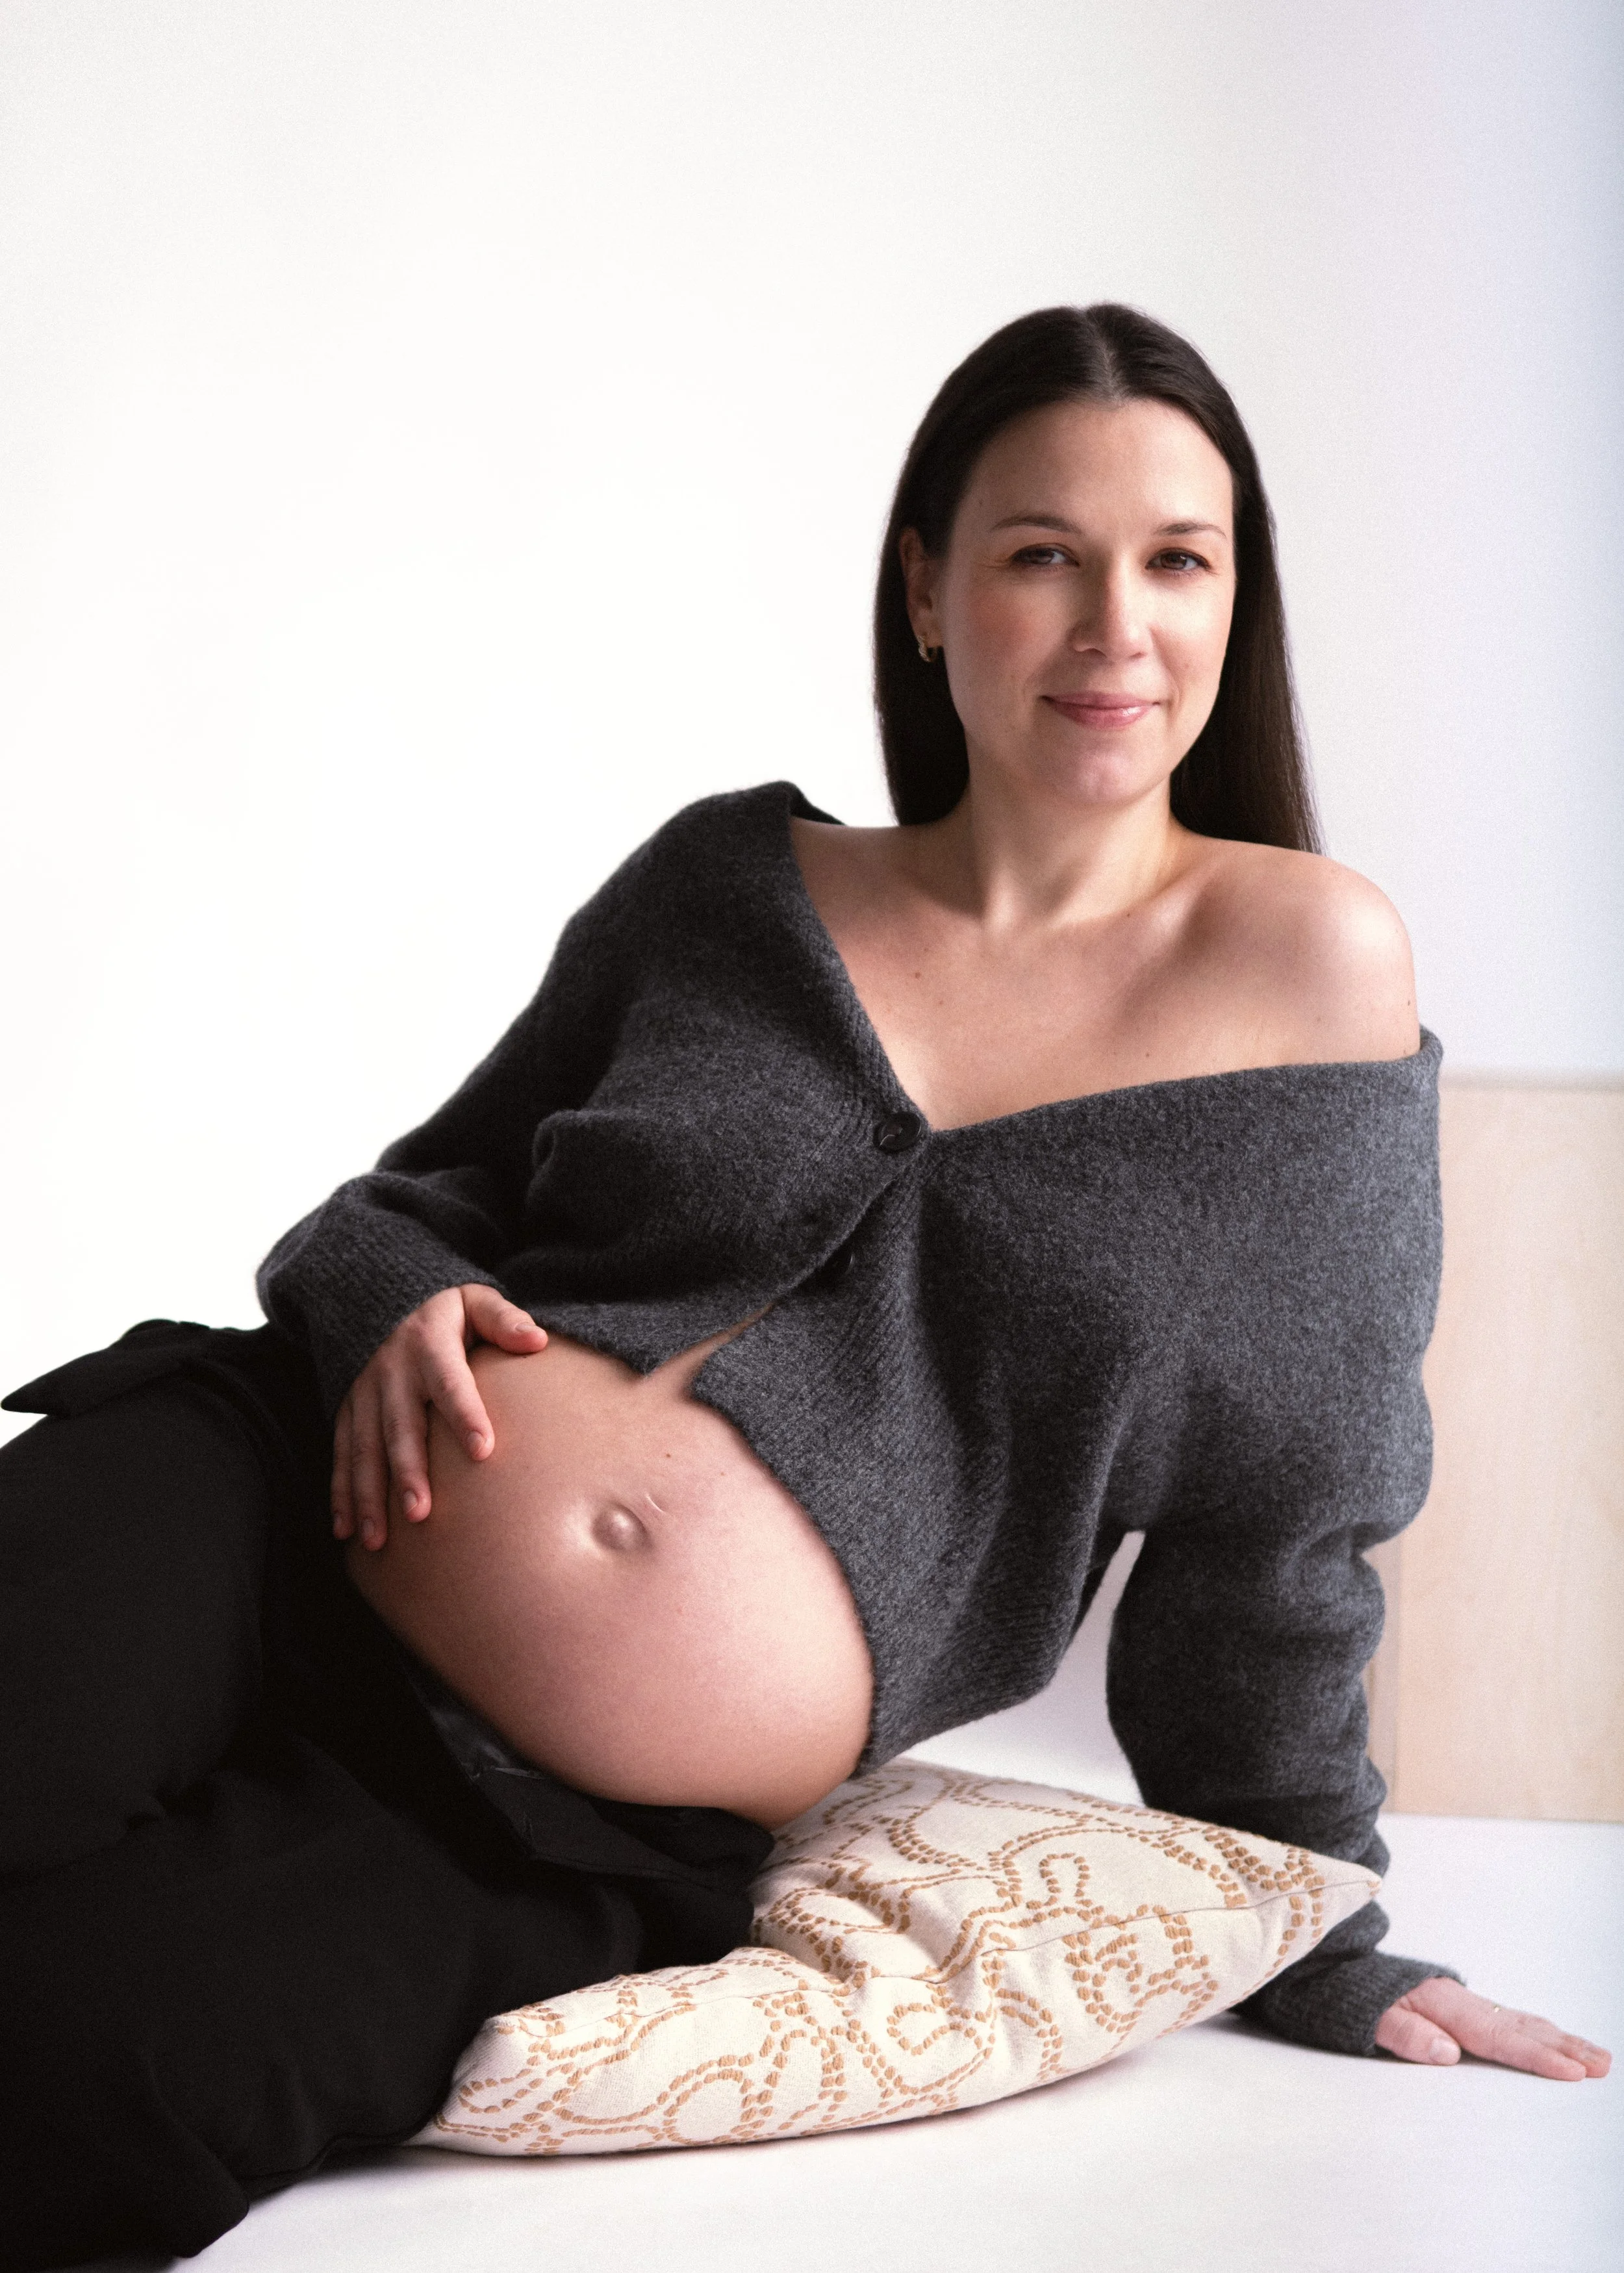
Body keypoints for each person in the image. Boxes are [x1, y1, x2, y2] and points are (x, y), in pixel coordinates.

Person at [0, 303, 1607, 2269]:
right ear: (926, 595)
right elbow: (405, 1198)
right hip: (270, 1507)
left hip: (564, 1821)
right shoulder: (730, 883)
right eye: (1041, 555)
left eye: (1177, 560)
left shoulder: (1306, 975)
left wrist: (1307, 1923)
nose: (1118, 626)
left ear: (1232, 602)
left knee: (103, 2077)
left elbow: (1284, 1523)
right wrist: (384, 1299)